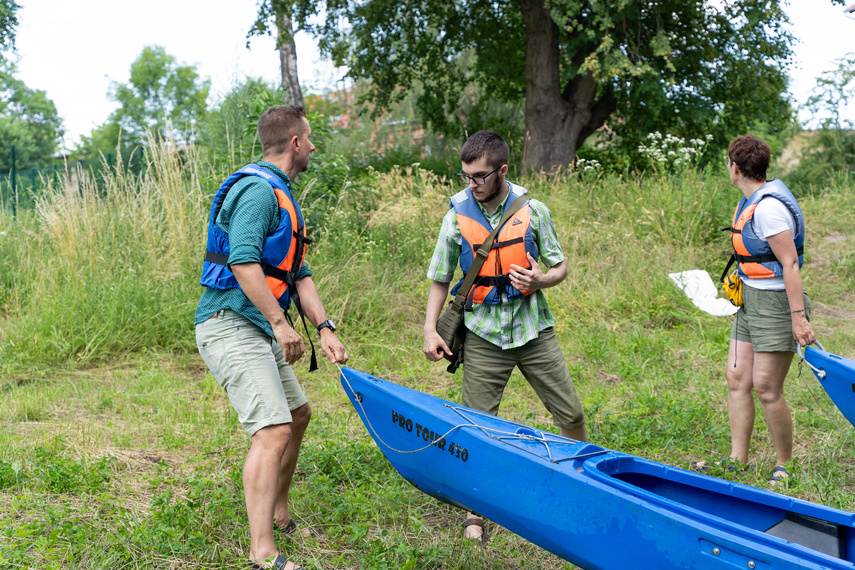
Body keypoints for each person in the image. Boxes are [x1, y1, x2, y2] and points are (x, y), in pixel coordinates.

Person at [194, 105, 348, 570]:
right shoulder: (260, 192)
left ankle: (279, 511)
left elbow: (298, 274)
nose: (314, 146)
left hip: (254, 326)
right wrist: (281, 325)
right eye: (310, 138)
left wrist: (325, 329)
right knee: (273, 429)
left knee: (297, 415)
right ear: (296, 143)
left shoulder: (281, 195)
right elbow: (242, 261)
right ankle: (263, 553)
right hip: (228, 322)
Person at [422, 130, 587, 542]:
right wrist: (429, 328)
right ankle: (475, 512)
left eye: (479, 176)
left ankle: (582, 488)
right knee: (477, 427)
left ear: (502, 170)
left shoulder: (534, 211)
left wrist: (540, 278)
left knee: (571, 416)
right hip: (482, 332)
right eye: (466, 176)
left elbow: (560, 266)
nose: (472, 184)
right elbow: (440, 278)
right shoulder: (456, 216)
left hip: (533, 329)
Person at [694, 134, 815, 485]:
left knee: (765, 387)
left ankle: (785, 463)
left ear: (734, 167)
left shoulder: (768, 209)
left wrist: (798, 318)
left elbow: (789, 265)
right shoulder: (751, 200)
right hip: (749, 299)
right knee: (737, 378)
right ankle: (737, 460)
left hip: (777, 304)